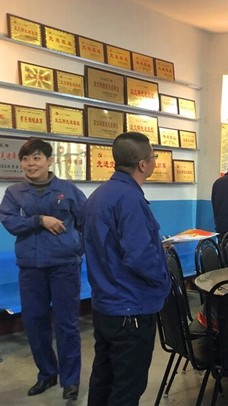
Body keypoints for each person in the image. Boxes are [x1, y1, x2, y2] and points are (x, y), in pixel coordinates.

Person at [82, 132, 170, 406]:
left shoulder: (98, 195)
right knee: (127, 389)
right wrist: (163, 280)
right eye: (153, 156)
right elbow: (139, 256)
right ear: (143, 164)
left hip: (105, 306)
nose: (154, 161)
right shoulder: (130, 199)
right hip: (130, 310)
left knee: (103, 379)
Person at [0, 138, 85, 401]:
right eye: (25, 159)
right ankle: (47, 373)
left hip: (64, 266)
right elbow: (9, 222)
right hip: (31, 267)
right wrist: (39, 220)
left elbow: (85, 221)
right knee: (34, 323)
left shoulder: (68, 190)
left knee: (66, 324)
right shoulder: (14, 192)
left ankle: (70, 380)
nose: (30, 163)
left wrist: (75, 248)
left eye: (36, 157)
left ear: (49, 160)